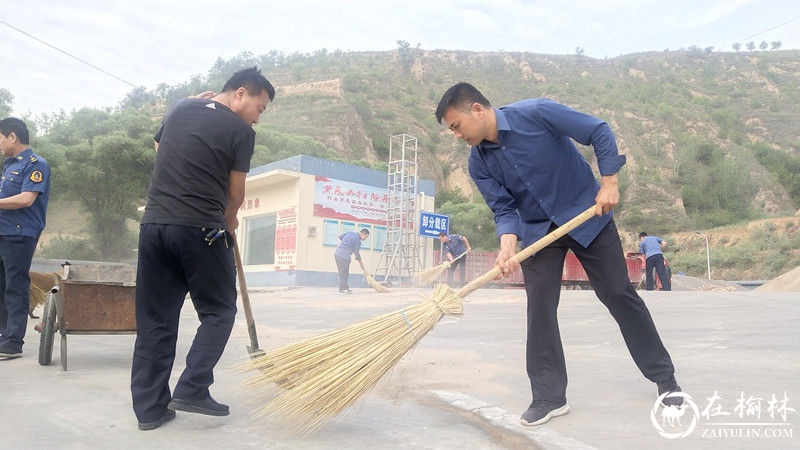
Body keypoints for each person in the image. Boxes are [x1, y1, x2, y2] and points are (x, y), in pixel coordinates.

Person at [435, 82, 682, 427]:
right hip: (539, 232)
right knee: (539, 307)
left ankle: (664, 379)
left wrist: (609, 183)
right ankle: (549, 396)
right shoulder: (478, 163)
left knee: (618, 294)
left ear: (476, 109)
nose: (457, 136)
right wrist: (507, 244)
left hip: (587, 216)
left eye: (456, 126)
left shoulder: (535, 113)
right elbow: (504, 207)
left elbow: (598, 130)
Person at [130, 67, 275, 431]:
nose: (259, 116)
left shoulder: (180, 108)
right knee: (220, 310)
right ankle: (193, 386)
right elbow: (237, 193)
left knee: (156, 321)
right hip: (201, 229)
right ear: (241, 93)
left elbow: (161, 146)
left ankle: (150, 410)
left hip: (154, 228)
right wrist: (230, 218)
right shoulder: (241, 131)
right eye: (261, 106)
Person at [0, 118, 50, 360]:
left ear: (12, 136)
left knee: (15, 286)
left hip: (20, 234)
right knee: (1, 286)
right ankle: (2, 336)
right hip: (3, 232)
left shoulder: (35, 164)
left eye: (0, 138)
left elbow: (25, 199)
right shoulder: (8, 166)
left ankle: (13, 343)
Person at [334, 228, 368, 294]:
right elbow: (356, 253)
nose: (365, 239)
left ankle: (345, 288)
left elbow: (340, 237)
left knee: (344, 272)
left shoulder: (349, 232)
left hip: (337, 254)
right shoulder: (358, 240)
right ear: (363, 234)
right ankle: (342, 289)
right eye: (366, 237)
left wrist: (346, 243)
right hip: (344, 256)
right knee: (344, 273)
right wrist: (360, 261)